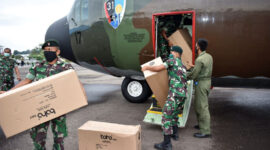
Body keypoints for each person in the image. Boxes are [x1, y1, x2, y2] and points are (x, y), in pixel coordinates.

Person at [0, 40, 84, 150]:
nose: (47, 52)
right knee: (38, 138)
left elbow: (74, 82)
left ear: (57, 52)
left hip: (59, 106)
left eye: (50, 50)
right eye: (45, 50)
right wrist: (9, 92)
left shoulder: (65, 66)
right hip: (40, 107)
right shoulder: (37, 66)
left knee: (59, 138)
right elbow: (26, 81)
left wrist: (82, 97)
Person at [142, 46, 187, 150]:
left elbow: (159, 68)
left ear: (176, 53)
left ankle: (166, 144)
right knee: (175, 114)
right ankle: (175, 135)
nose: (170, 52)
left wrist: (147, 68)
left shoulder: (172, 60)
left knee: (166, 117)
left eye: (171, 51)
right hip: (182, 95)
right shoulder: (183, 65)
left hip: (175, 94)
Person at [188, 39, 213, 138]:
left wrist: (183, 76)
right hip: (207, 82)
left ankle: (205, 131)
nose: (194, 46)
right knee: (199, 105)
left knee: (202, 107)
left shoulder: (199, 59)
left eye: (195, 45)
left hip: (201, 84)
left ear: (198, 46)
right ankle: (201, 125)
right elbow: (204, 68)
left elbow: (194, 75)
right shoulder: (209, 56)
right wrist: (193, 66)